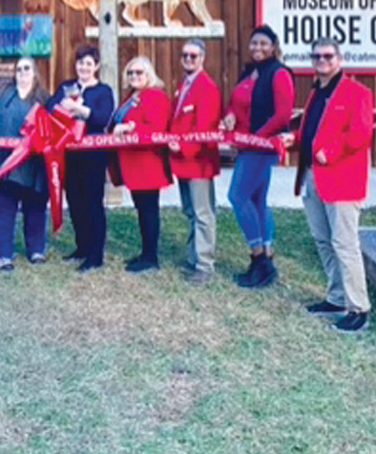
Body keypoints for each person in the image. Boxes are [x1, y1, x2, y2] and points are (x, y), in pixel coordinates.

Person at [284, 37, 375, 334]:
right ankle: (337, 298)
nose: (321, 61)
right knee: (323, 240)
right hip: (313, 175)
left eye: (327, 56)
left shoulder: (357, 93)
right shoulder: (317, 93)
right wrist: (295, 139)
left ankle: (358, 308)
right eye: (316, 56)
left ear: (340, 59)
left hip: (342, 179)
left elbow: (360, 133)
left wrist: (331, 151)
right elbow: (313, 132)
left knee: (344, 244)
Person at [224, 24, 294, 289]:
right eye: (254, 43)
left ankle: (258, 258)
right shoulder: (249, 72)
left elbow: (283, 115)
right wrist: (230, 115)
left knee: (237, 196)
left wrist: (256, 137)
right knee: (256, 199)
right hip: (247, 143)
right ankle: (265, 258)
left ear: (274, 47)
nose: (258, 48)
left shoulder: (279, 74)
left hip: (262, 147)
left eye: (264, 44)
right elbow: (236, 103)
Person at [0, 57, 50, 271]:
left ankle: (36, 249)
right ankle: (4, 254)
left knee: (35, 209)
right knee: (3, 209)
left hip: (35, 167)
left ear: (34, 72)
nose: (23, 72)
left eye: (27, 68)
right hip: (4, 166)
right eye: (19, 69)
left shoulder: (46, 100)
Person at [45, 44, 114, 272]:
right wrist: (62, 107)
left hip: (93, 154)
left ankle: (96, 255)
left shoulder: (103, 91)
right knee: (74, 200)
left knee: (93, 202)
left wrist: (83, 111)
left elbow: (104, 118)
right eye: (80, 63)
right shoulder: (66, 87)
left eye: (88, 63)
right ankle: (81, 247)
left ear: (96, 66)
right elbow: (49, 108)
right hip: (69, 153)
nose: (84, 67)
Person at [109, 56, 173, 273]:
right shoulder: (131, 97)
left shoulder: (155, 96)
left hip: (147, 163)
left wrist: (130, 129)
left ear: (149, 75)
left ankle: (150, 256)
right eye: (130, 73)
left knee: (148, 210)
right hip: (132, 163)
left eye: (139, 72)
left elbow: (157, 129)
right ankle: (145, 252)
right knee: (142, 209)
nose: (134, 76)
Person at [167, 39, 223, 285]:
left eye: (194, 56)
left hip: (198, 160)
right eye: (185, 56)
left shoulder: (207, 87)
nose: (189, 60)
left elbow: (206, 128)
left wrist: (185, 148)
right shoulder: (184, 85)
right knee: (190, 211)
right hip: (182, 160)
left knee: (203, 213)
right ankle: (194, 256)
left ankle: (205, 264)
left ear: (203, 59)